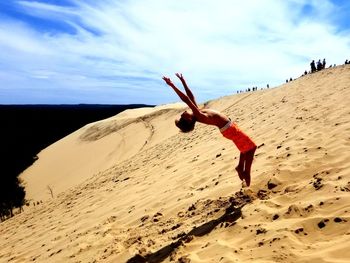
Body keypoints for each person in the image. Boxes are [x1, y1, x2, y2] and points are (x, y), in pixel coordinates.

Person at [162, 73, 257, 186]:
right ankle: (246, 172)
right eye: (183, 116)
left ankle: (240, 166)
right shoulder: (199, 115)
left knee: (244, 148)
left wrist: (183, 81)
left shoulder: (197, 112)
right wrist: (172, 85)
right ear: (188, 119)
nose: (183, 113)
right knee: (252, 147)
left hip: (230, 128)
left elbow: (190, 97)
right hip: (230, 129)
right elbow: (186, 99)